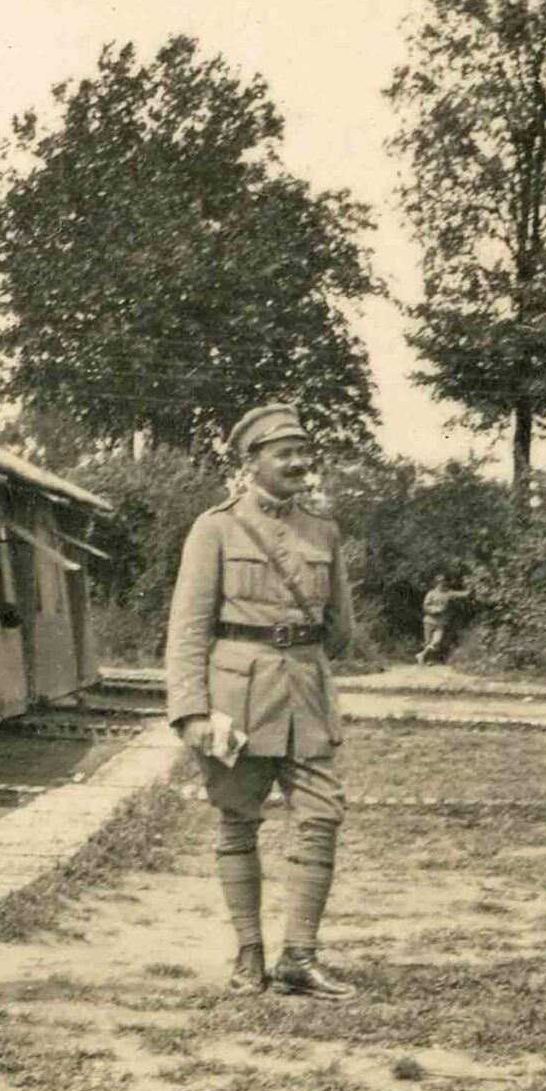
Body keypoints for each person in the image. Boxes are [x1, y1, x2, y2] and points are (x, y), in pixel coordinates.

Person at [164, 403, 359, 999]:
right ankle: (249, 951)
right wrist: (192, 711)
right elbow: (188, 628)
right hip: (237, 699)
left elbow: (341, 627)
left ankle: (299, 955)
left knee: (322, 814)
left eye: (305, 452)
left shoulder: (323, 531)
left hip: (305, 693)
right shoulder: (216, 528)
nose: (300, 463)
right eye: (285, 453)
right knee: (238, 821)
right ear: (251, 462)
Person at [417, 574, 468, 664]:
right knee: (428, 643)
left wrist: (472, 588)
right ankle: (427, 660)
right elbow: (425, 606)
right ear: (436, 583)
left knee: (436, 642)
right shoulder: (431, 593)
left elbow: (463, 594)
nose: (442, 584)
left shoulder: (448, 593)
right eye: (439, 582)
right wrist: (435, 610)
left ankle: (421, 655)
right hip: (429, 621)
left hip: (441, 623)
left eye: (443, 582)